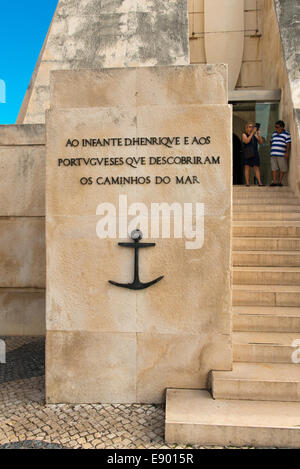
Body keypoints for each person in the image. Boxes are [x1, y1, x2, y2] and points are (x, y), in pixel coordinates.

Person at [242, 122, 264, 186]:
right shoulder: (244, 134)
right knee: (247, 167)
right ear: (246, 128)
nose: (251, 128)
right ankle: (247, 182)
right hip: (248, 152)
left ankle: (260, 182)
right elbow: (246, 141)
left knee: (256, 167)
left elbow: (261, 142)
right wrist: (252, 133)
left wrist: (259, 135)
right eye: (249, 127)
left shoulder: (255, 135)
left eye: (252, 127)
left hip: (255, 152)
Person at [270, 120, 291, 186]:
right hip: (273, 154)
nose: (276, 128)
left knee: (282, 168)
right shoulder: (274, 133)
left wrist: (287, 152)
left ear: (282, 127)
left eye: (277, 127)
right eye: (275, 127)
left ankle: (280, 181)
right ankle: (274, 182)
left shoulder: (286, 134)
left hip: (281, 154)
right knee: (274, 168)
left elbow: (288, 144)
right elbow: (271, 141)